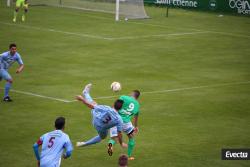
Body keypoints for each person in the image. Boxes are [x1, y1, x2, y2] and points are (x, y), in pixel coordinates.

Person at [75, 84, 127, 149]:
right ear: (120, 108)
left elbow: (91, 106)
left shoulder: (107, 108)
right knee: (102, 137)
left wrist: (82, 99)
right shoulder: (119, 120)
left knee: (94, 105)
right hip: (101, 128)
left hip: (95, 120)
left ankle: (85, 93)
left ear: (113, 104)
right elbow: (119, 133)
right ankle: (85, 143)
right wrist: (121, 143)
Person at [108, 90, 141, 160]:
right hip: (126, 123)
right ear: (137, 97)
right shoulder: (137, 105)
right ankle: (129, 156)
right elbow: (136, 116)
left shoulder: (124, 97)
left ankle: (110, 147)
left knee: (114, 138)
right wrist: (136, 126)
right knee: (131, 137)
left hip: (116, 120)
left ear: (132, 94)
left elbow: (114, 106)